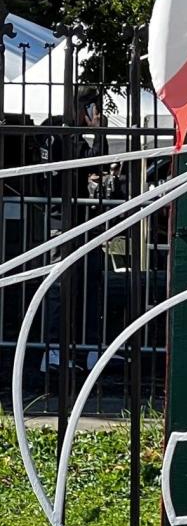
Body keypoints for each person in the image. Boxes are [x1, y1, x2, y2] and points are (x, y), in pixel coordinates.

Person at [39, 86, 114, 373]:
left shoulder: (64, 130)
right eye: (92, 108)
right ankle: (55, 349)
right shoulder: (58, 130)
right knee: (61, 284)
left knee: (89, 280)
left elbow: (96, 163)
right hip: (64, 217)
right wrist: (95, 133)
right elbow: (85, 165)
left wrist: (98, 132)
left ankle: (84, 347)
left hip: (81, 217)